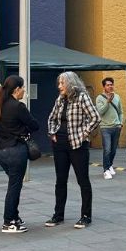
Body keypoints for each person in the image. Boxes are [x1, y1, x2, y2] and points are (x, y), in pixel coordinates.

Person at [45, 71, 100, 229]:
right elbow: (51, 118)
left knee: (83, 181)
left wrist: (84, 134)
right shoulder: (60, 100)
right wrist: (52, 132)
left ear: (70, 83)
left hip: (77, 145)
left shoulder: (82, 97)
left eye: (62, 83)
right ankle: (58, 215)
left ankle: (85, 216)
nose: (59, 86)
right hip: (60, 145)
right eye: (59, 83)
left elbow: (95, 117)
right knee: (60, 180)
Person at [0, 75, 39, 234]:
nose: (24, 91)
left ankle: (15, 216)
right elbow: (34, 125)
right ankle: (9, 221)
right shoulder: (18, 107)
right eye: (22, 88)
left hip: (1, 152)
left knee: (13, 184)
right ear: (16, 89)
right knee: (14, 187)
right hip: (15, 151)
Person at [96, 77, 124, 179]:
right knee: (107, 149)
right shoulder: (99, 98)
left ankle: (110, 164)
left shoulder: (117, 97)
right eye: (108, 85)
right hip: (105, 127)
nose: (110, 86)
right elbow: (100, 112)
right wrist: (107, 102)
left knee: (113, 149)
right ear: (104, 87)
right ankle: (106, 169)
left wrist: (120, 123)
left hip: (116, 126)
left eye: (111, 84)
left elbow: (121, 111)